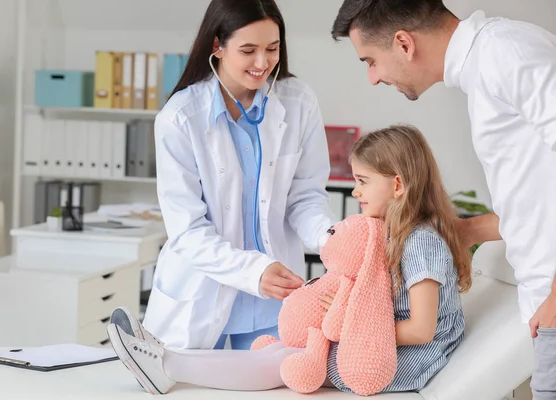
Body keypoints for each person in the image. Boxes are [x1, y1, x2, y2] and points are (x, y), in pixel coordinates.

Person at [105, 125, 471, 396]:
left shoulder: (421, 242)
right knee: (285, 347)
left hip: (405, 358)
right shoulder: (385, 233)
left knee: (284, 360)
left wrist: (350, 325)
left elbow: (423, 329)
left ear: (397, 186)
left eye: (362, 181)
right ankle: (164, 359)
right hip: (377, 342)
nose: (355, 191)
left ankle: (167, 365)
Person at [330, 1, 556, 397]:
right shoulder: (485, 69)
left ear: (403, 43)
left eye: (370, 61)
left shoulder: (506, 52)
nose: (372, 78)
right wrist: (460, 230)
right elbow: (535, 203)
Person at [121, 0, 337, 352]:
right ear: (217, 46)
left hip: (275, 306)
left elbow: (306, 197)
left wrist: (333, 241)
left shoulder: (298, 102)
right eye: (248, 50)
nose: (262, 63)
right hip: (201, 297)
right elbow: (188, 231)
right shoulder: (180, 119)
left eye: (272, 48)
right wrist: (254, 272)